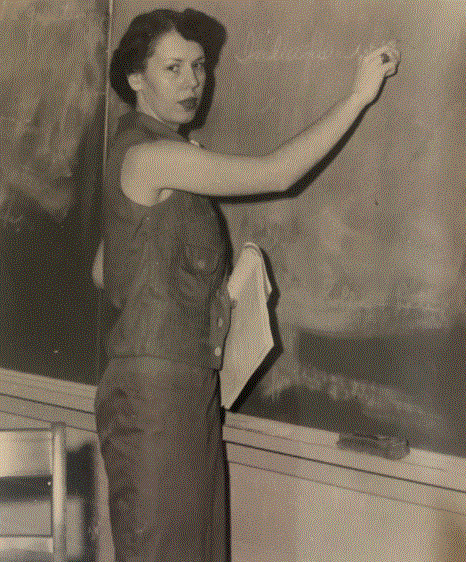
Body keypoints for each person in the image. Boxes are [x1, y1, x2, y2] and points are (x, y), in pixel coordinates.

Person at [93, 7, 400, 562]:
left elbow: (102, 268)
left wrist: (196, 293)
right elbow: (278, 173)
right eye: (172, 68)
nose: (192, 82)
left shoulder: (152, 156)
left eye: (199, 66)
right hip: (155, 396)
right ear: (135, 78)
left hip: (180, 387)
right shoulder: (151, 156)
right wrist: (359, 95)